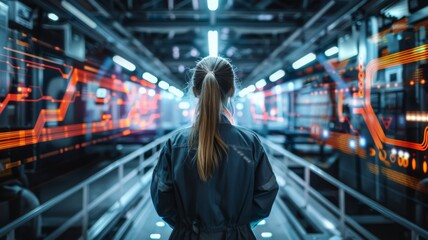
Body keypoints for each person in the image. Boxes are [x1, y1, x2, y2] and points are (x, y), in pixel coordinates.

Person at [151, 56, 279, 239]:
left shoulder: (175, 143)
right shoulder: (250, 143)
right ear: (232, 90)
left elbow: (162, 198)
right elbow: (266, 192)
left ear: (195, 91)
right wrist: (239, 225)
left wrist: (185, 226)